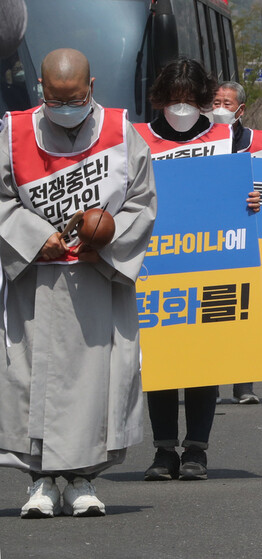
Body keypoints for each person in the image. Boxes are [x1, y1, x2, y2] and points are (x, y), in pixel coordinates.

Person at [0, 48, 157, 517]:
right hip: (34, 279)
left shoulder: (120, 132)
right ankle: (41, 483)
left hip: (95, 278)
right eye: (55, 98)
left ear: (91, 88)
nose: (65, 106)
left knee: (99, 378)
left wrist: (104, 240)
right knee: (31, 379)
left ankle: (83, 478)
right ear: (42, 91)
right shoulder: (12, 133)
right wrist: (33, 236)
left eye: (73, 97)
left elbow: (142, 202)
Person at [134, 58, 261, 482]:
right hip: (158, 264)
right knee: (161, 362)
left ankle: (197, 451)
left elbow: (253, 190)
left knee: (203, 360)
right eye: (175, 99)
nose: (182, 107)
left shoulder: (227, 138)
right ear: (161, 100)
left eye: (190, 99)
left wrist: (253, 202)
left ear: (204, 100)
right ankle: (163, 450)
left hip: (212, 261)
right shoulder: (139, 140)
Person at [212, 80, 262, 404]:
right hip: (209, 239)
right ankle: (206, 381)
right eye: (215, 102)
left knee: (245, 310)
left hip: (248, 236)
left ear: (241, 109)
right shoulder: (199, 141)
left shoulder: (258, 141)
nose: (220, 108)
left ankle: (244, 385)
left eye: (227, 103)